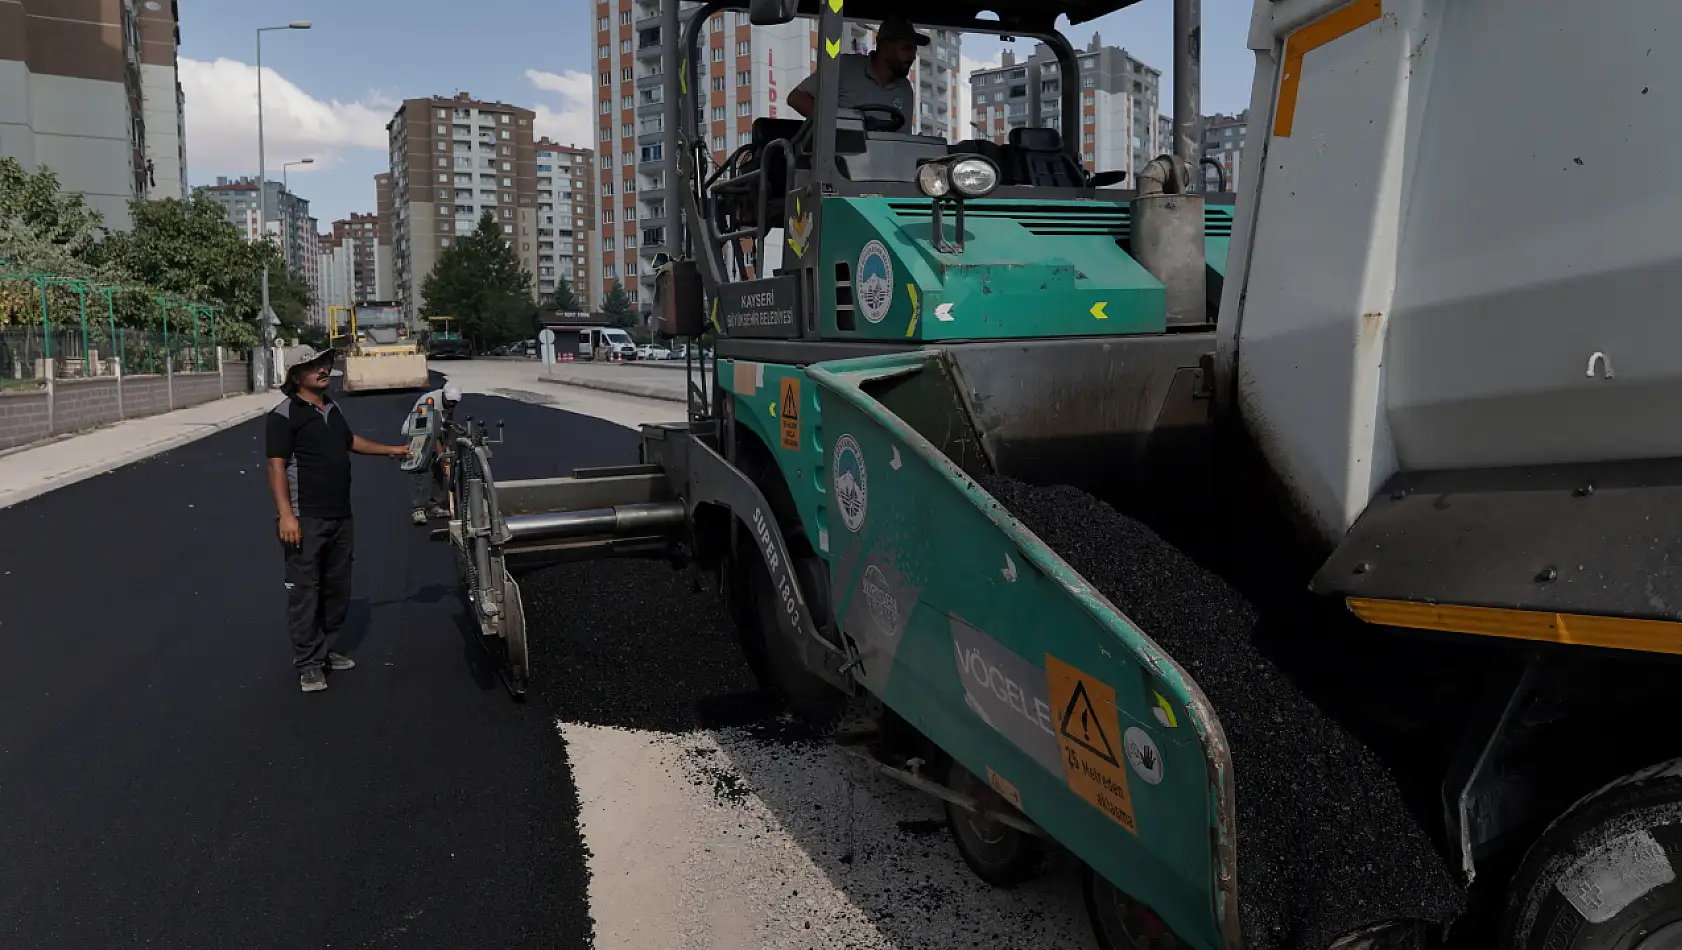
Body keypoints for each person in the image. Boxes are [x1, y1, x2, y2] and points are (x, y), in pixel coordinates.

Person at [265, 347, 410, 693]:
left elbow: (350, 441)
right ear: (295, 376)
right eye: (312, 366)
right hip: (306, 517)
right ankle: (309, 664)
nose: (322, 370)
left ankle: (325, 650)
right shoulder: (284, 415)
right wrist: (286, 515)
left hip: (340, 514)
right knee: (305, 591)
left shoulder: (331, 407)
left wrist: (391, 450)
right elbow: (276, 466)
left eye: (323, 364)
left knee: (337, 588)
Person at [786, 15, 928, 122]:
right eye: (907, 49)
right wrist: (836, 127)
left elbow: (903, 139)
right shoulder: (845, 67)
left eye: (914, 50)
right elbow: (796, 98)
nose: (913, 56)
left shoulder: (905, 89)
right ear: (885, 47)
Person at [404, 383, 462, 525]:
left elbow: (448, 424)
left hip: (435, 432)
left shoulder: (450, 404)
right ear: (443, 395)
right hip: (418, 432)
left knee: (440, 470)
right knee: (420, 468)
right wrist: (441, 452)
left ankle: (433, 505)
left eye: (454, 402)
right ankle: (418, 508)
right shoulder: (429, 402)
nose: (452, 404)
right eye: (450, 401)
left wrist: (448, 446)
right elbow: (430, 432)